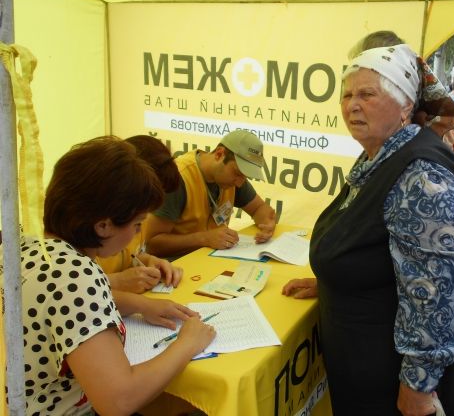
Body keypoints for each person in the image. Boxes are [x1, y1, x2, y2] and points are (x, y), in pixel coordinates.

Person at [282, 45, 454, 415]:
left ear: (405, 106)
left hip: (399, 382)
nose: (352, 105)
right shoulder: (382, 154)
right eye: (347, 95)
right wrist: (336, 281)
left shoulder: (421, 177)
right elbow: (380, 245)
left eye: (367, 94)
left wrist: (418, 386)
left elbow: (443, 293)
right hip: (370, 365)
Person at [3, 136, 216, 415]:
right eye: (137, 224)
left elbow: (67, 310)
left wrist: (142, 305)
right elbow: (119, 400)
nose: (138, 234)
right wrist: (188, 344)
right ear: (103, 226)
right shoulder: (76, 276)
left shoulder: (33, 247)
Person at [146, 129, 276, 258]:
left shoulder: (234, 179)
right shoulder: (178, 179)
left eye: (245, 176)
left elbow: (259, 208)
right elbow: (152, 244)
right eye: (237, 173)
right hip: (175, 265)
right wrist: (204, 238)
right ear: (219, 154)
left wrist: (267, 224)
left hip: (211, 260)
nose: (239, 183)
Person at [98, 135, 184, 293]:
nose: (147, 215)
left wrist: (147, 260)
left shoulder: (132, 218)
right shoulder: (76, 245)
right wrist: (115, 282)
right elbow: (77, 285)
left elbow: (128, 256)